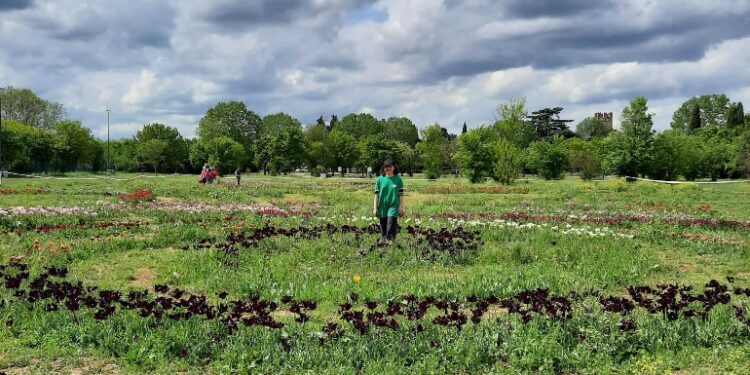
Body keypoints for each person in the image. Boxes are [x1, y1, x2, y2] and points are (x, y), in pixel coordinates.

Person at [373, 159, 404, 244]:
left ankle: (390, 240)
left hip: (393, 205)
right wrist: (375, 208)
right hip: (382, 206)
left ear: (394, 167)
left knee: (391, 221)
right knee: (383, 225)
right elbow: (376, 195)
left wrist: (401, 207)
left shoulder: (398, 179)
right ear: (384, 168)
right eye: (386, 167)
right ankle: (384, 240)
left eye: (390, 166)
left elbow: (401, 194)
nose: (388, 168)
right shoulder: (379, 179)